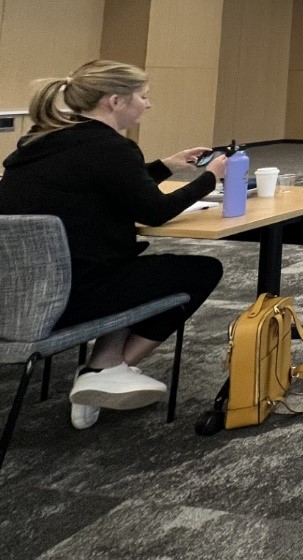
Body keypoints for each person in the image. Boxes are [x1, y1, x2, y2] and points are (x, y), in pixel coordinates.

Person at [0, 60, 226, 431]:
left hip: (16, 296)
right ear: (115, 101)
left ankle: (106, 363)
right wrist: (209, 179)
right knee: (201, 270)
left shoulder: (39, 141)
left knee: (131, 266)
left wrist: (165, 166)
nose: (148, 104)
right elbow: (155, 211)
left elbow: (104, 183)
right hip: (73, 297)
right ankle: (105, 369)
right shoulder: (111, 148)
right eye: (143, 96)